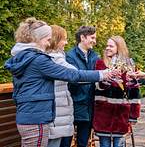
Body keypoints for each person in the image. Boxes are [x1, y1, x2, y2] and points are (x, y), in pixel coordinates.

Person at [4, 18, 112, 147]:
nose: (48, 44)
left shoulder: (23, 57)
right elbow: (72, 74)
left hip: (27, 114)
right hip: (37, 117)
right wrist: (103, 74)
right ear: (38, 38)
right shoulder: (38, 60)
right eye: (47, 40)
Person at [93, 36, 141, 147]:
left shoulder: (129, 65)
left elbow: (135, 92)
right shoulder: (100, 63)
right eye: (107, 45)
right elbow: (96, 86)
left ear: (119, 47)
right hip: (103, 114)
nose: (107, 48)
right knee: (104, 145)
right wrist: (106, 79)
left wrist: (134, 115)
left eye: (111, 46)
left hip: (121, 114)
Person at [62, 26, 99, 147]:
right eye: (92, 38)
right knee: (66, 142)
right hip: (73, 105)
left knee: (84, 143)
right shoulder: (69, 56)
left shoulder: (95, 56)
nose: (94, 41)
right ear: (82, 37)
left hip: (89, 106)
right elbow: (73, 80)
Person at [46, 25, 76, 147]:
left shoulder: (56, 56)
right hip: (57, 111)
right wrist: (102, 75)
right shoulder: (55, 58)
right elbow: (76, 74)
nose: (66, 42)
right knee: (54, 142)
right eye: (64, 39)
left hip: (58, 111)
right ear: (56, 40)